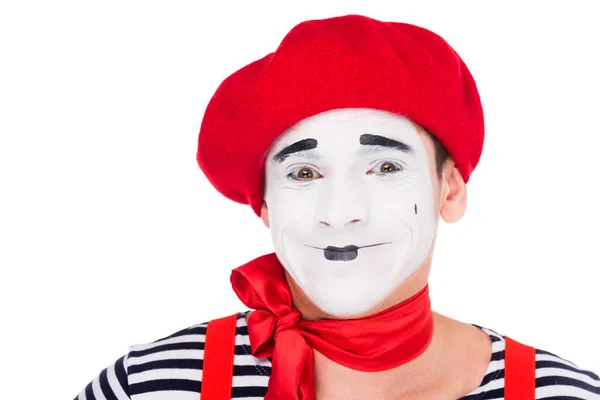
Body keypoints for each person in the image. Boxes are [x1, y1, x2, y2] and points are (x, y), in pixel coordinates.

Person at [73, 14, 600, 400]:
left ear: (451, 190)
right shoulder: (149, 385)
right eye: (303, 173)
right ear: (265, 206)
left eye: (387, 167)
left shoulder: (564, 395)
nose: (341, 211)